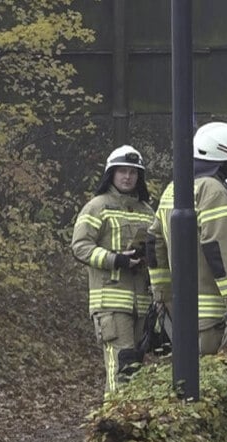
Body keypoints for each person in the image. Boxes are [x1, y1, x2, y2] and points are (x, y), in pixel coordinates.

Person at [147, 121, 227, 355]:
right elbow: (219, 248)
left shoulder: (173, 189)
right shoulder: (212, 190)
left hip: (181, 316)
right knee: (208, 386)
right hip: (211, 318)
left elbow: (154, 245)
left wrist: (162, 296)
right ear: (223, 160)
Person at [71, 144, 154, 398]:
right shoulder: (97, 207)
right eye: (122, 171)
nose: (127, 177)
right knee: (119, 365)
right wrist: (115, 259)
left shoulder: (147, 211)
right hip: (110, 301)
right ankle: (115, 423)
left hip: (141, 302)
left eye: (132, 172)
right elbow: (80, 247)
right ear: (111, 174)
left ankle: (131, 423)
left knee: (136, 367)